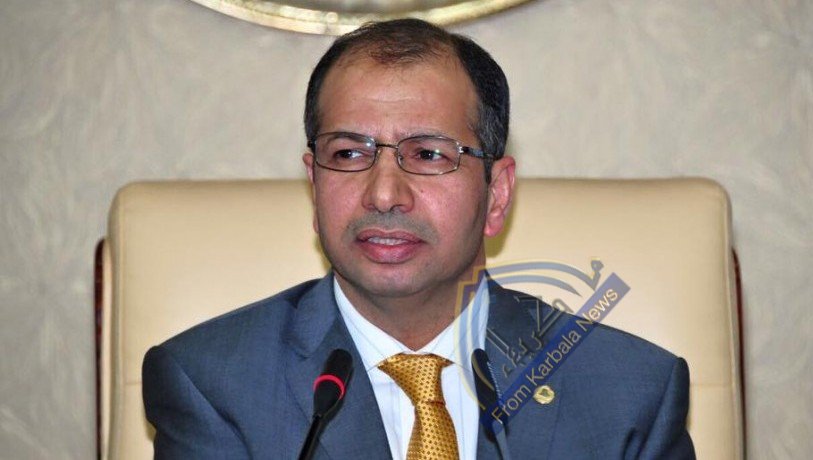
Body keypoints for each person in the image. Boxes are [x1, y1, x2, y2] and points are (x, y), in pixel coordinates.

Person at [143, 18, 695, 460]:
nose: (384, 194)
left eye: (429, 154)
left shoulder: (630, 394)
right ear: (314, 185)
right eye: (348, 154)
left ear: (496, 194)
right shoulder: (213, 386)